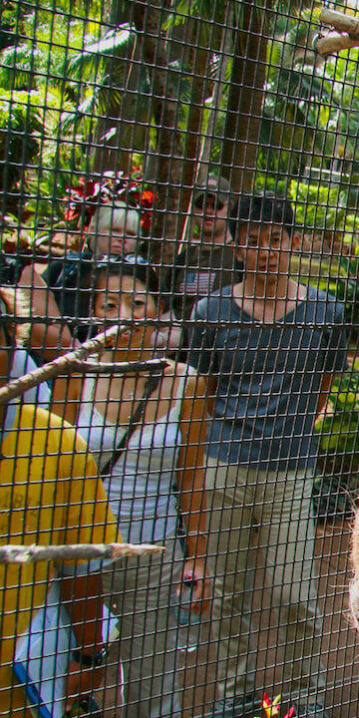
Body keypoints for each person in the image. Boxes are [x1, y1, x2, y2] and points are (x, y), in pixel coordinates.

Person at [185, 194, 346, 718]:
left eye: (275, 241)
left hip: (292, 472)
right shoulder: (209, 311)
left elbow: (322, 389)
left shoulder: (326, 310)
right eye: (252, 242)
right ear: (236, 246)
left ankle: (306, 698)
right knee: (226, 595)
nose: (265, 252)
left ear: (293, 243)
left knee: (293, 592)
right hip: (224, 468)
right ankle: (235, 696)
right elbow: (201, 394)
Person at [52, 258, 212, 718]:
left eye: (137, 302)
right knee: (64, 678)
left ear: (158, 311)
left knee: (154, 690)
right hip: (77, 557)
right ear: (93, 313)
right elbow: (50, 469)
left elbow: (192, 478)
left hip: (156, 557)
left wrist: (197, 558)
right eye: (110, 302)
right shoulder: (73, 375)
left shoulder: (188, 383)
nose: (124, 313)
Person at [0, 297, 120, 718]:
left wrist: (88, 657)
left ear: (13, 350)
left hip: (20, 684)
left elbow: (81, 569)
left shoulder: (57, 444)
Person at [43, 202, 145, 340]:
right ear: (93, 229)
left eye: (130, 233)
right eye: (114, 230)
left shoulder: (144, 274)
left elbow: (172, 331)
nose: (122, 239)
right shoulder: (66, 268)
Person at [167, 175, 241, 320]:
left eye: (216, 205)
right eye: (201, 205)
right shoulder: (182, 260)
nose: (208, 211)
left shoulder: (239, 257)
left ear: (230, 208)